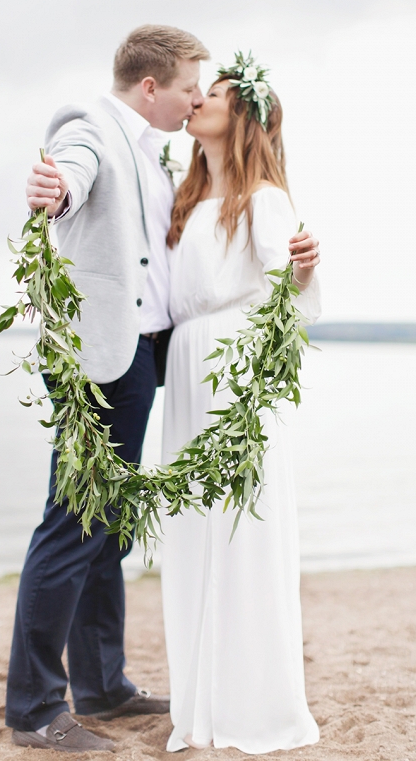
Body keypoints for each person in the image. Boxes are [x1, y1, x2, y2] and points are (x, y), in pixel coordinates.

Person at [6, 25, 210, 753]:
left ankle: (101, 684)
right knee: (72, 523)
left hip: (144, 357)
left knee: (109, 528)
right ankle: (34, 707)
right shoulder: (91, 128)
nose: (196, 101)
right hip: (104, 362)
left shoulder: (159, 155)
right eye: (189, 87)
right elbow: (73, 168)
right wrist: (56, 188)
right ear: (151, 86)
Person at [159, 56, 322, 754]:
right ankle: (201, 699)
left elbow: (289, 298)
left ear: (245, 116)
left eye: (216, 94)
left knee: (240, 533)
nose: (198, 99)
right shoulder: (182, 196)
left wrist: (307, 269)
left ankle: (252, 706)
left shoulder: (263, 199)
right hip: (187, 368)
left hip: (236, 377)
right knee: (193, 533)